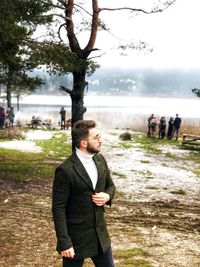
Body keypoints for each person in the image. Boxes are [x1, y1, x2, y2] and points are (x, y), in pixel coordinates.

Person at [52, 120, 116, 267]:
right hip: (75, 239)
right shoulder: (65, 170)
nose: (101, 140)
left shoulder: (100, 160)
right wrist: (64, 242)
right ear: (83, 143)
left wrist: (107, 196)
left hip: (100, 236)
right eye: (96, 137)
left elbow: (111, 186)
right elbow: (58, 208)